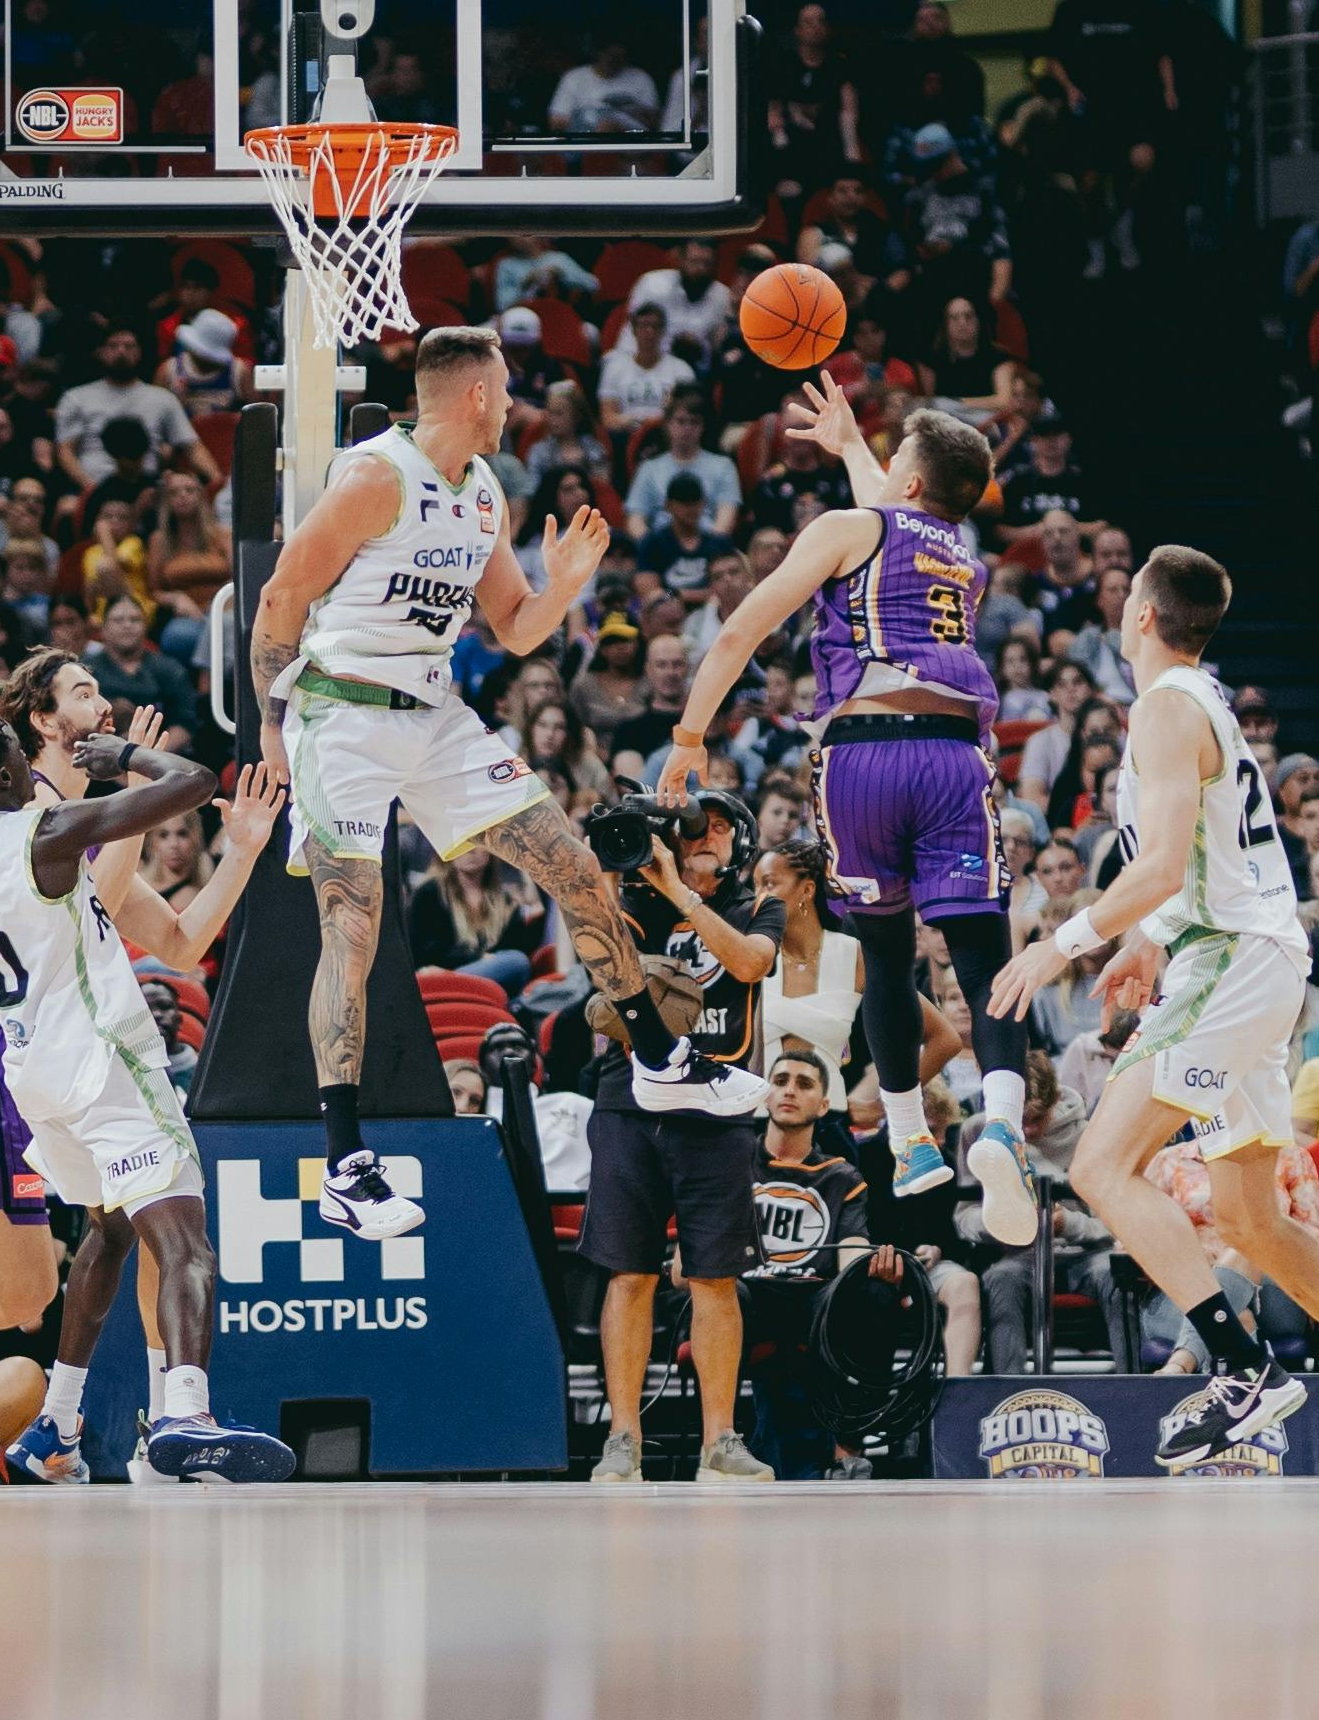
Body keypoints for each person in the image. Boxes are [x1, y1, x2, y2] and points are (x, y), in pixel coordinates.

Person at [982, 544, 1319, 1471]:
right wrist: (1144, 939)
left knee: (1102, 1167)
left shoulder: (1165, 707)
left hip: (1232, 963)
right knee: (1249, 1219)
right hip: (1250, 959)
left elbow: (1162, 865)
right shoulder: (1205, 702)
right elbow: (1201, 864)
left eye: (1128, 596)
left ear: (1143, 615)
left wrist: (1060, 943)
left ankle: (1241, 1371)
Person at [247, 322, 657, 1239]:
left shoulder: (483, 491)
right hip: (342, 715)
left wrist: (565, 585)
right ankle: (346, 1163)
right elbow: (279, 598)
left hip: (433, 714)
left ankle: (661, 1056)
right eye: (505, 390)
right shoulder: (375, 478)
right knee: (353, 925)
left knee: (570, 862)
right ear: (476, 394)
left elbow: (515, 629)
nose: (512, 405)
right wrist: (272, 727)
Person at [0, 669, 291, 1484]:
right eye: (17, 751)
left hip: (33, 1072)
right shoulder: (47, 833)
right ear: (8, 771)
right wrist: (130, 761)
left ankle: (57, 1424)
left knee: (109, 1233)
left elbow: (169, 938)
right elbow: (194, 780)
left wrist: (239, 848)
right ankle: (185, 1413)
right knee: (184, 1239)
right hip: (101, 1056)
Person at [660, 379, 1006, 1202]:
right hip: (955, 754)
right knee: (982, 959)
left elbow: (743, 630)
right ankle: (1004, 1125)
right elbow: (892, 520)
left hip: (862, 757)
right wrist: (851, 445)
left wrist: (689, 735)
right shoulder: (966, 560)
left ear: (908, 479)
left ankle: (910, 1138)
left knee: (885, 956)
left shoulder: (847, 527)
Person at [581, 791, 788, 1483]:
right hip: (628, 1099)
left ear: (742, 844)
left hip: (717, 1106)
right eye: (696, 827)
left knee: (715, 1277)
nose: (707, 835)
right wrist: (615, 866)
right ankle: (623, 1438)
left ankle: (720, 1440)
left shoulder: (758, 905)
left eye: (722, 828)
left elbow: (749, 965)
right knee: (630, 1272)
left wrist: (680, 891)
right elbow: (594, 948)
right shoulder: (635, 900)